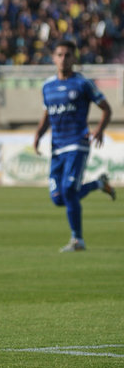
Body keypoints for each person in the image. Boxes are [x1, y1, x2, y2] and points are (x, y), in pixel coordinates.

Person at [33, 40, 115, 252]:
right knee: (58, 198)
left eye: (68, 55)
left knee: (69, 190)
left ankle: (78, 240)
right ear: (53, 58)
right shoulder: (47, 86)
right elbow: (47, 114)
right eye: (59, 54)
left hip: (78, 143)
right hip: (57, 148)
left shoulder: (82, 84)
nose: (63, 59)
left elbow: (106, 108)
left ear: (74, 58)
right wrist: (38, 135)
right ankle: (98, 184)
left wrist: (99, 130)